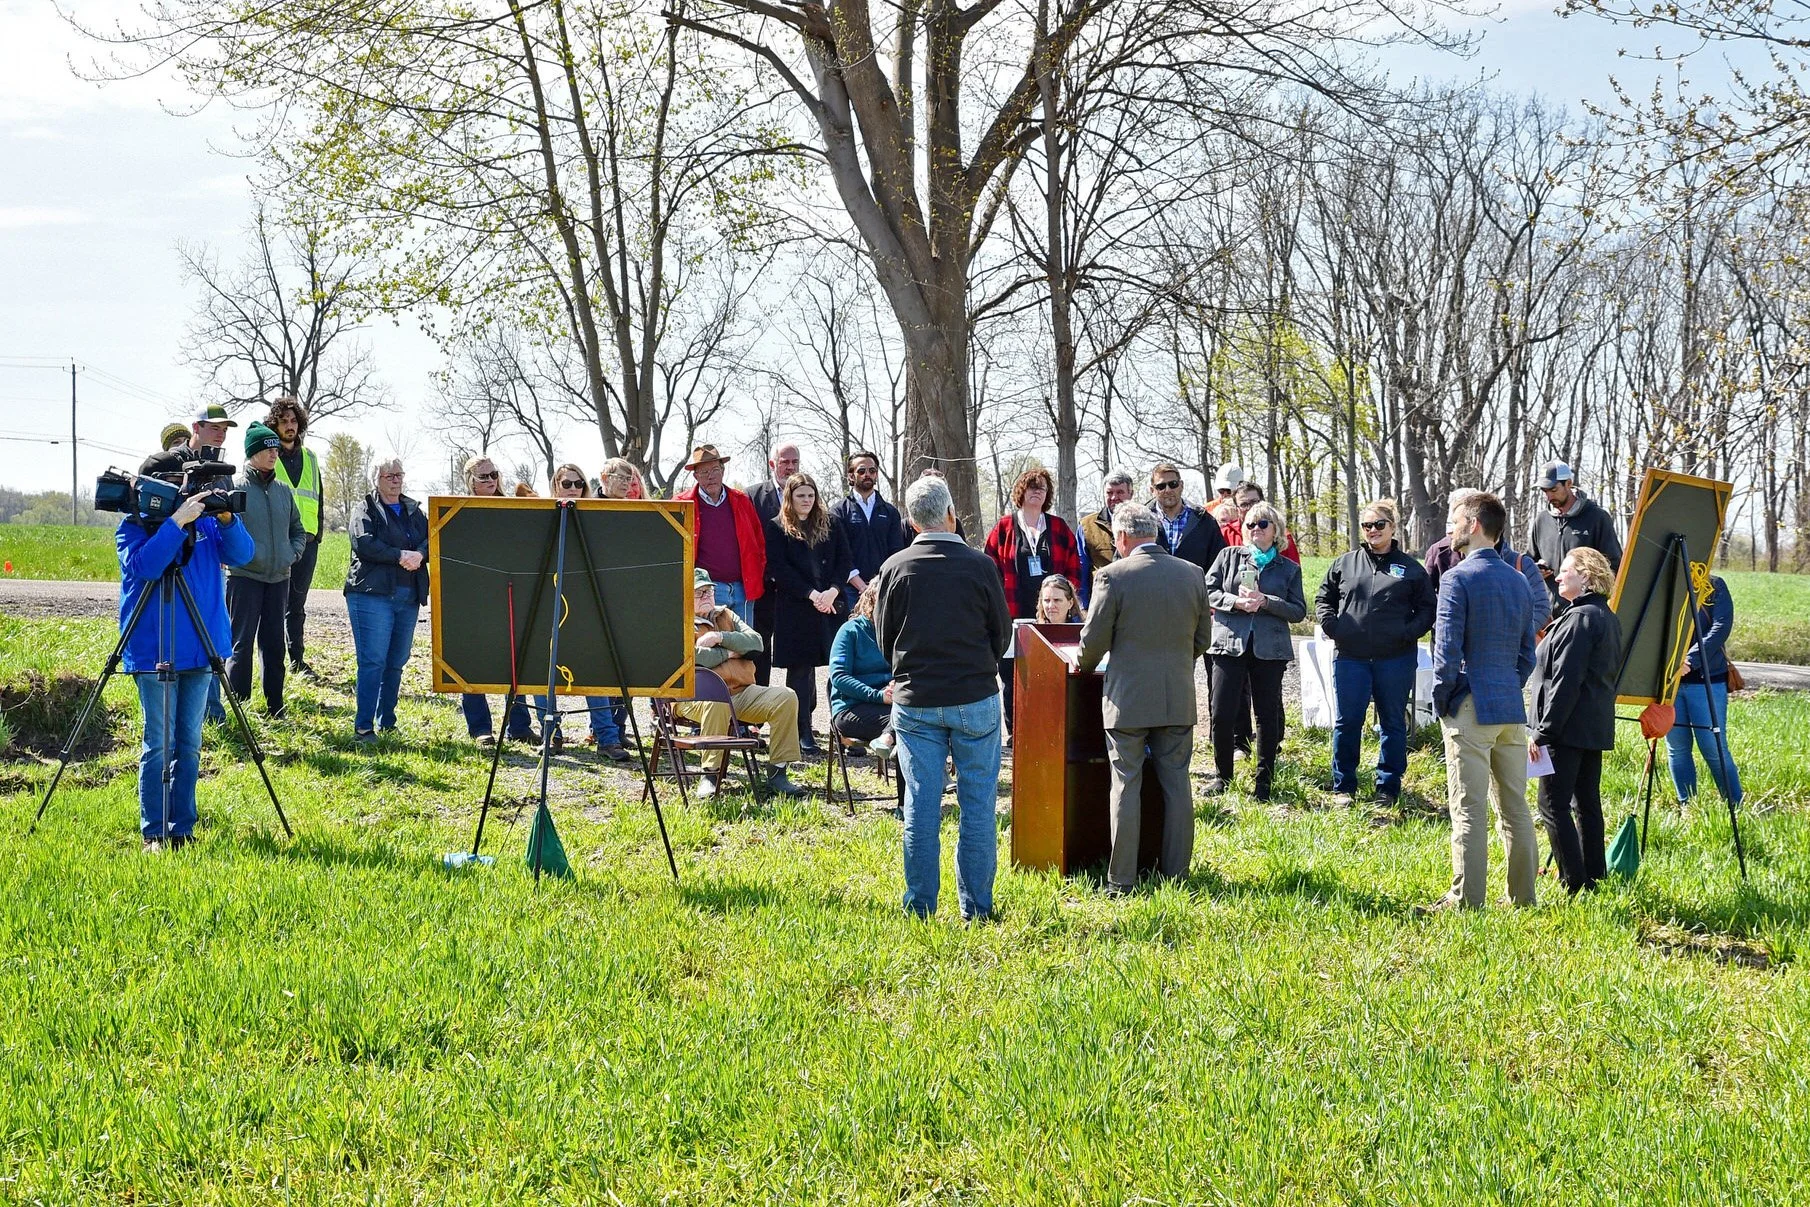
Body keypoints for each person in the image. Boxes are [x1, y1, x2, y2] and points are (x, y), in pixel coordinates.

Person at [874, 475, 1012, 921]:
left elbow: (884, 638)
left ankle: (920, 909)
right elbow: (1001, 632)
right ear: (952, 512)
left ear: (913, 520)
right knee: (977, 805)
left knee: (921, 805)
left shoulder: (895, 567)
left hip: (917, 699)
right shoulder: (980, 565)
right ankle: (977, 909)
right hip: (974, 695)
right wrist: (978, 666)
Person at [1076, 504, 1214, 893]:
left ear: (1121, 538)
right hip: (1176, 697)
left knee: (1125, 785)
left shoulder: (1112, 576)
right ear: (1153, 532)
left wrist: (1083, 666)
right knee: (1177, 785)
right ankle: (1176, 875)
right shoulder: (1192, 574)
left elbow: (1094, 641)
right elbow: (1202, 639)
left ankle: (1121, 880)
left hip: (1127, 701)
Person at [118, 468, 254, 850]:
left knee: (190, 743)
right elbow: (146, 566)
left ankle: (182, 829)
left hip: (201, 646)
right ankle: (154, 832)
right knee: (159, 743)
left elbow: (244, 554)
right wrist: (177, 523)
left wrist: (227, 518)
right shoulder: (133, 527)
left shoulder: (209, 527)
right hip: (154, 649)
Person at [1423, 491, 1541, 913]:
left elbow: (1446, 649)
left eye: (1455, 521)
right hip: (1510, 707)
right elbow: (1528, 653)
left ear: (1473, 525)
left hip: (1470, 707)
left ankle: (1467, 901)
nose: (1450, 529)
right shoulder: (1519, 578)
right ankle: (1523, 898)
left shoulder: (1457, 577)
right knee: (1515, 808)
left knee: (1468, 810)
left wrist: (1444, 699)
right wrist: (1508, 684)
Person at [1314, 500, 1435, 806]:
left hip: (1394, 659)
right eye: (1367, 526)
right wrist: (1332, 626)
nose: (1373, 531)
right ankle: (1344, 786)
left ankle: (1388, 786)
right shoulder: (1345, 563)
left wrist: (1407, 633)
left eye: (1379, 524)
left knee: (1392, 722)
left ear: (1393, 527)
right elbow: (1323, 597)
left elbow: (1427, 609)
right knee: (1347, 722)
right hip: (1350, 657)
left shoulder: (1410, 569)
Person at [1529, 547, 1624, 895]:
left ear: (1585, 575)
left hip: (1565, 729)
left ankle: (1575, 882)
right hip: (1591, 726)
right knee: (1585, 803)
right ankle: (1595, 875)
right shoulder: (1604, 616)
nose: (1557, 576)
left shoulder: (1579, 619)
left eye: (1565, 571)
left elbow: (1565, 681)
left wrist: (1543, 733)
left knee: (1552, 804)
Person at [1204, 502, 1307, 801]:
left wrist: (1266, 602)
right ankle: (1222, 776)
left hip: (1269, 649)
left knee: (1266, 715)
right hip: (1228, 644)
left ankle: (1264, 782)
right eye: (1249, 524)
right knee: (1221, 712)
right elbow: (1207, 589)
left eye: (1262, 524)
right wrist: (1235, 602)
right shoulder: (1228, 556)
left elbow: (1298, 611)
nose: (1255, 530)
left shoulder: (1288, 569)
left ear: (1276, 531)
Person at [677, 568, 809, 797]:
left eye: (709, 591)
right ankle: (710, 774)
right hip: (694, 697)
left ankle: (778, 772)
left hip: (740, 692)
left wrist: (721, 638)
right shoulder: (681, 622)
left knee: (786, 696)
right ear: (687, 596)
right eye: (699, 593)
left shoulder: (726, 615)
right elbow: (696, 657)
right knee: (716, 702)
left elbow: (756, 643)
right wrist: (734, 653)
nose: (707, 596)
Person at [534, 464, 631, 761]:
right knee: (542, 670)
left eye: (578, 483)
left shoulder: (597, 516)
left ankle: (607, 738)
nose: (573, 487)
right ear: (555, 485)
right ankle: (551, 735)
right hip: (551, 601)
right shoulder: (541, 516)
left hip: (590, 604)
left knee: (594, 670)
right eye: (566, 483)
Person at [982, 467, 1082, 738]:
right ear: (1021, 491)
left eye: (1043, 487)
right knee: (1013, 677)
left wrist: (1064, 599)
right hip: (1012, 614)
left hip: (1051, 616)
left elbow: (1075, 570)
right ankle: (1016, 732)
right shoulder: (1004, 527)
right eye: (1032, 486)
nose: (1037, 491)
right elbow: (988, 568)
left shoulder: (1059, 527)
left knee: (1051, 674)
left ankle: (1050, 730)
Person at [764, 471, 855, 759]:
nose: (806, 500)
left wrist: (832, 591)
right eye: (800, 495)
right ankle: (802, 731)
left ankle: (843, 730)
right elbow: (779, 569)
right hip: (796, 608)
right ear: (790, 498)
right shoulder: (778, 527)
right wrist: (811, 594)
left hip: (830, 605)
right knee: (800, 674)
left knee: (838, 669)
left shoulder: (832, 523)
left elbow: (845, 561)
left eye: (811, 495)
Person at [343, 458, 429, 742]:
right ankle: (364, 727)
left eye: (399, 474)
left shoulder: (414, 510)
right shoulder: (364, 509)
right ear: (376, 479)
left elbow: (432, 538)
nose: (395, 480)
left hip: (408, 595)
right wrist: (400, 555)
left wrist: (420, 553)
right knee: (373, 661)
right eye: (388, 475)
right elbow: (364, 542)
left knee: (396, 661)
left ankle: (387, 722)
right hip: (372, 595)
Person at [225, 422, 306, 719]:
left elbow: (298, 529)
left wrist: (291, 553)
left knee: (274, 646)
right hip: (244, 577)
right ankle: (239, 707)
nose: (274, 454)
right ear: (252, 453)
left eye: (275, 449)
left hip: (278, 578)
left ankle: (275, 706)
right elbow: (224, 529)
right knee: (240, 645)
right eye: (267, 449)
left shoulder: (284, 491)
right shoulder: (235, 488)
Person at [457, 454, 538, 746]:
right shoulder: (460, 511)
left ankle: (519, 726)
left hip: (511, 593)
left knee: (515, 661)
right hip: (475, 599)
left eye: (494, 475)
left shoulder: (514, 507)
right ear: (470, 481)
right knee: (474, 660)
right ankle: (480, 728)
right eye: (484, 477)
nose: (491, 480)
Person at [1426, 487, 1551, 634]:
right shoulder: (1439, 553)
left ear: (1475, 522)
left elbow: (1541, 606)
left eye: (1455, 522)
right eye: (1449, 523)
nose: (1450, 530)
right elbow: (1425, 599)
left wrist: (1517, 636)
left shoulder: (1520, 564)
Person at [1668, 571, 1744, 808]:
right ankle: (1687, 807)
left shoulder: (1714, 585)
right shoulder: (1665, 583)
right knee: (1677, 749)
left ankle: (1735, 807)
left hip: (1707, 680)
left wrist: (1690, 660)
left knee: (1713, 747)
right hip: (1671, 683)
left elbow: (1721, 627)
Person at [264, 396, 326, 678]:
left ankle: (297, 660)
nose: (289, 426)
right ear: (275, 425)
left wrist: (319, 534)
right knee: (276, 603)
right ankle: (273, 661)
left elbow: (319, 497)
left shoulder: (311, 457)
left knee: (297, 605)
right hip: (278, 542)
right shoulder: (268, 456)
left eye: (293, 421)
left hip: (308, 542)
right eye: (283, 421)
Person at [674, 443, 766, 627]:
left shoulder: (741, 501)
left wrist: (756, 574)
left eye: (715, 469)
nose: (711, 476)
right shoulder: (682, 504)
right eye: (704, 471)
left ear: (723, 471)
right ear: (695, 475)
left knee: (744, 646)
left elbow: (758, 543)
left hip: (743, 588)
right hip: (706, 590)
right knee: (712, 646)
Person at [1529, 462, 1623, 607]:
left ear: (1568, 483)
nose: (1548, 497)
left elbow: (1614, 566)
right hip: (1546, 613)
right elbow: (1529, 560)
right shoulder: (1542, 520)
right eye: (1544, 491)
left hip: (1584, 612)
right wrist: (1536, 570)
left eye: (1553, 490)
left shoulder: (1597, 518)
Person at [746, 441, 799, 686]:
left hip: (800, 587)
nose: (789, 467)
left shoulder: (808, 493)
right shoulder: (752, 496)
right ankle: (755, 712)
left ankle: (802, 717)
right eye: (784, 462)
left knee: (801, 650)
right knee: (760, 646)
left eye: (794, 462)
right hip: (765, 587)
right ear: (772, 464)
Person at [829, 582, 893, 750]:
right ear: (873, 602)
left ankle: (888, 741)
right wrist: (878, 696)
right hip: (851, 708)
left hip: (892, 704)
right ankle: (888, 740)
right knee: (906, 722)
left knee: (921, 718)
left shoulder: (896, 632)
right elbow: (839, 677)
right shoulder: (850, 631)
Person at [834, 450, 906, 596]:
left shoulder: (890, 512)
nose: (867, 474)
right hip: (850, 590)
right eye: (861, 471)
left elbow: (896, 551)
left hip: (884, 588)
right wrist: (861, 586)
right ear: (851, 475)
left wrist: (879, 583)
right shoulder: (838, 511)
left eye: (872, 471)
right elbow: (840, 553)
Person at [1146, 461, 1228, 575]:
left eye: (1173, 484)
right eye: (1161, 486)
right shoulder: (1141, 521)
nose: (1168, 490)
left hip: (1195, 591)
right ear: (1152, 490)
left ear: (1181, 485)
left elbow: (1220, 564)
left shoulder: (1204, 521)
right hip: (1151, 591)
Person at [1078, 470, 1135, 579]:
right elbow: (1082, 567)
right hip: (1102, 591)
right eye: (1109, 493)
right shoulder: (1087, 525)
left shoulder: (1144, 522)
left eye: (1120, 492)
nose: (1114, 497)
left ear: (1131, 494)